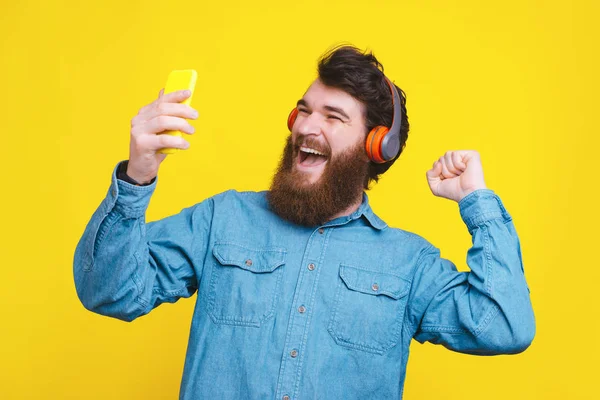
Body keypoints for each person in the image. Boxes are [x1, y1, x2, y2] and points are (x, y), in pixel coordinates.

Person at [73, 45, 535, 399]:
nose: (307, 127)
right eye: (305, 110)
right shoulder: (223, 219)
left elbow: (504, 325)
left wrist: (477, 202)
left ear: (376, 148)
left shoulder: (408, 263)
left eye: (333, 117)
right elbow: (110, 292)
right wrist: (138, 173)